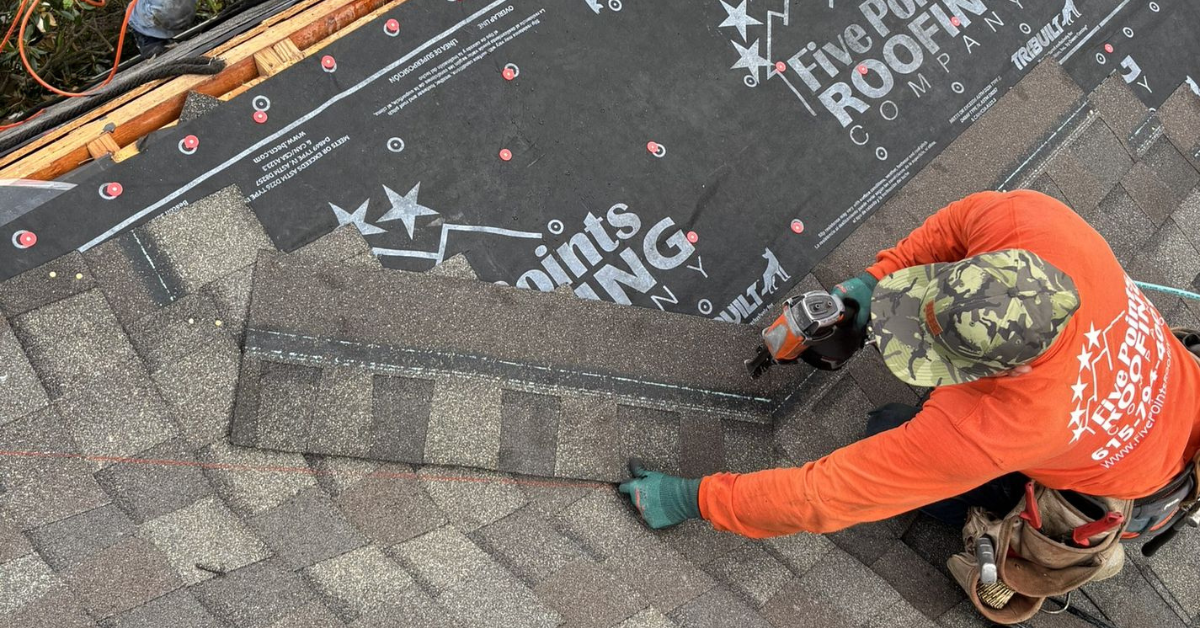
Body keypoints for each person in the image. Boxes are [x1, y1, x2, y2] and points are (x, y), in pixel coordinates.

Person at [619, 189, 1200, 540]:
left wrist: (693, 499)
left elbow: (826, 497)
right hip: (1188, 393)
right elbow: (952, 229)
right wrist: (874, 281)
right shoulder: (1035, 224)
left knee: (888, 430)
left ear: (1001, 374)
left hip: (1134, 482)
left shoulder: (992, 429)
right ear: (1003, 259)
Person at [128, 0, 195, 58]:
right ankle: (165, 38)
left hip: (167, 12)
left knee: (131, 11)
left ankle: (150, 42)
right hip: (188, 12)